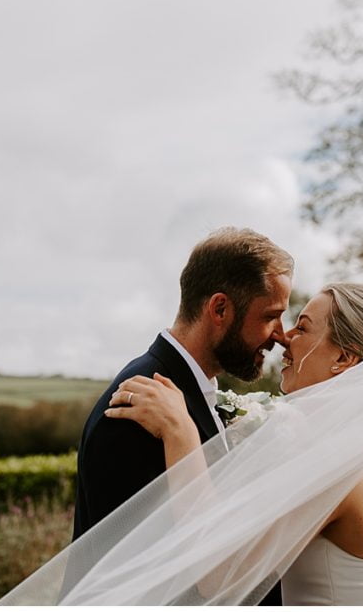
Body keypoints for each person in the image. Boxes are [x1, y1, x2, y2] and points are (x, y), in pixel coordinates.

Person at [0, 281, 363, 606]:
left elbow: (218, 575)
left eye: (302, 327)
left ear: (344, 358)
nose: (284, 338)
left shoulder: (331, 461)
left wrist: (181, 434)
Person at [70, 226, 293, 605]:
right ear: (220, 309)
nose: (280, 335)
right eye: (271, 316)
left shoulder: (188, 395)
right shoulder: (137, 408)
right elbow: (138, 578)